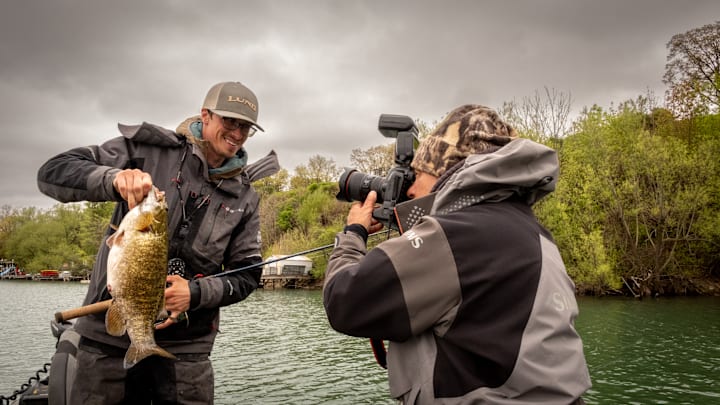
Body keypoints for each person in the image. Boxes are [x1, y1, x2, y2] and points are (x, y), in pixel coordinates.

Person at [323, 104, 591, 404]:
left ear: (445, 170)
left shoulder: (457, 235)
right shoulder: (537, 234)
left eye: (419, 174)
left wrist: (353, 234)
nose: (410, 190)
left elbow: (344, 300)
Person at [37, 81, 280, 404]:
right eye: (229, 122)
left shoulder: (246, 197)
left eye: (245, 127)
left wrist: (194, 294)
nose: (237, 133)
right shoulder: (148, 151)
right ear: (205, 116)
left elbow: (248, 276)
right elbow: (52, 172)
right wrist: (113, 179)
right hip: (106, 339)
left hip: (186, 349)